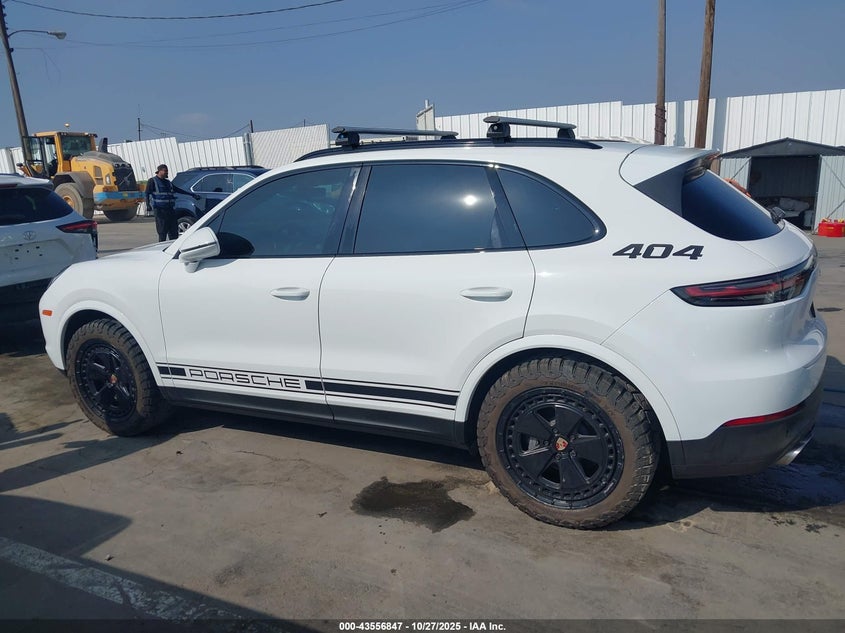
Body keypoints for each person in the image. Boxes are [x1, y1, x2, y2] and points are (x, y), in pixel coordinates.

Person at [145, 164, 199, 241]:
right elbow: (147, 193)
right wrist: (148, 205)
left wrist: (191, 194)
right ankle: (161, 246)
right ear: (159, 171)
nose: (167, 173)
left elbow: (177, 190)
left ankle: (172, 246)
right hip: (160, 210)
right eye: (165, 171)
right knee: (162, 231)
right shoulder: (153, 181)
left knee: (173, 231)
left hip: (170, 210)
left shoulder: (168, 182)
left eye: (167, 171)